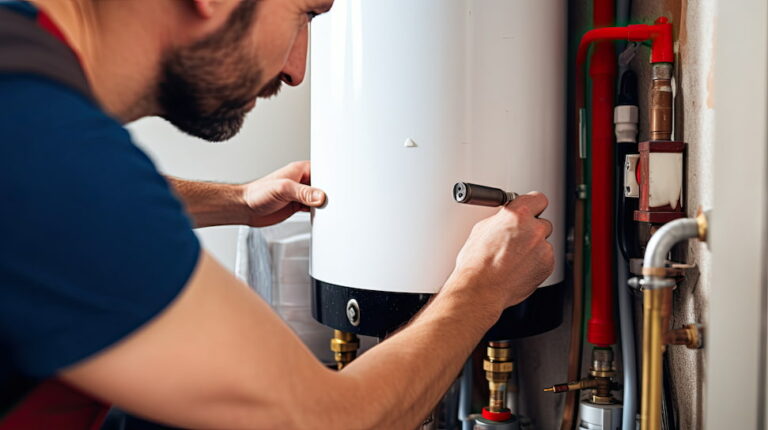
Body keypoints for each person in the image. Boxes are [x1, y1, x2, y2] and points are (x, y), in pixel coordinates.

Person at [0, 0, 555, 428]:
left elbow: (64, 209)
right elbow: (327, 420)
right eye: (303, 15)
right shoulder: (46, 151)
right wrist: (479, 293)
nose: (296, 69)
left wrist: (234, 199)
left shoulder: (23, 74)